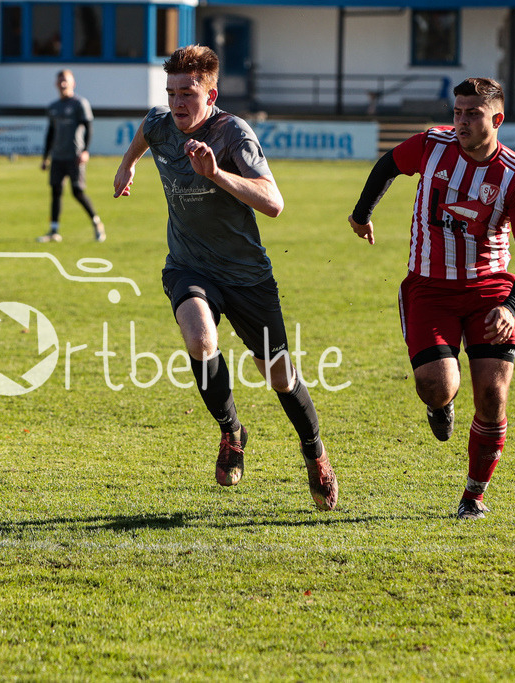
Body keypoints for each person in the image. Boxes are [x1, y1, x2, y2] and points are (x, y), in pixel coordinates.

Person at [113, 45, 338, 511]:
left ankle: (314, 452)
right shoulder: (160, 123)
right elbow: (144, 132)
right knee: (199, 339)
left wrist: (216, 174)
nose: (178, 102)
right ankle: (231, 431)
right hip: (189, 266)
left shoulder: (234, 134)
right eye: (172, 91)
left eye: (188, 93)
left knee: (277, 375)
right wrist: (127, 164)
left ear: (210, 93)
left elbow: (273, 203)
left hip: (247, 276)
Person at [347, 77, 515, 520]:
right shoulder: (430, 145)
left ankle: (473, 494)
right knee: (436, 386)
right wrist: (362, 215)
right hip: (429, 289)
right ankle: (442, 405)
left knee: (492, 395)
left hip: (489, 290)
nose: (461, 122)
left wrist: (510, 308)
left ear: (497, 118)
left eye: (472, 114)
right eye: (457, 112)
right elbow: (387, 166)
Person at [38, 69, 105, 243]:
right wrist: (45, 158)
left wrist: (85, 151)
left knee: (77, 192)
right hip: (57, 157)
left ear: (73, 83)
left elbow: (88, 127)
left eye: (65, 81)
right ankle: (54, 231)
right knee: (55, 191)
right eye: (60, 81)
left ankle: (97, 223)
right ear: (56, 84)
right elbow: (50, 133)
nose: (62, 84)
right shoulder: (53, 107)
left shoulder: (79, 104)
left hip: (74, 156)